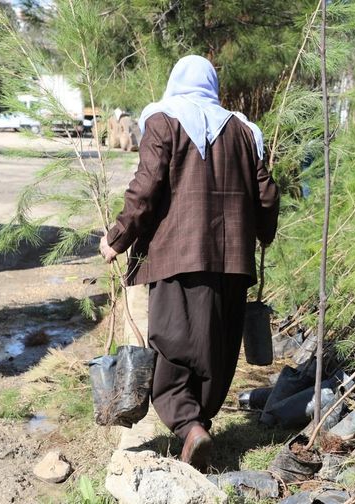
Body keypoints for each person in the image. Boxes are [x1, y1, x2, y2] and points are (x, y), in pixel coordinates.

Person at [99, 55, 280, 470]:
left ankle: (188, 426)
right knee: (217, 347)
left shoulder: (163, 121)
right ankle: (199, 427)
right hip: (233, 260)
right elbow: (267, 196)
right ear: (212, 84)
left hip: (176, 255)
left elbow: (145, 188)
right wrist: (262, 234)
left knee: (173, 344)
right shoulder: (243, 130)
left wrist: (117, 238)